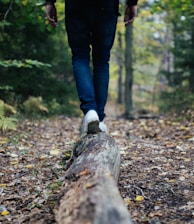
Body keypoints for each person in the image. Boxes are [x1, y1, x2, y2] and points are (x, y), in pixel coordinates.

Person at [46, 0, 138, 136]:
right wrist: (132, 3)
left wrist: (49, 2)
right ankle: (99, 119)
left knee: (80, 56)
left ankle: (90, 111)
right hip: (106, 6)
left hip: (76, 6)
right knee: (101, 61)